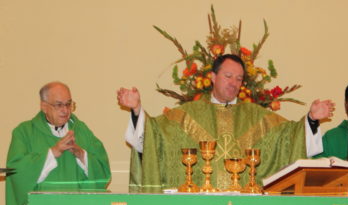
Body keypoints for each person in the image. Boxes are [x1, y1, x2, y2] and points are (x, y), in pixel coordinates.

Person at [117, 54, 335, 192]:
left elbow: (290, 137)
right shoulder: (186, 115)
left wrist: (312, 119)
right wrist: (137, 110)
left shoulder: (258, 117)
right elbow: (154, 135)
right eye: (228, 76)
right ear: (213, 77)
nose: (234, 83)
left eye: (239, 79)